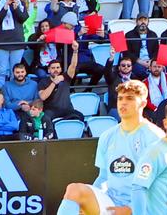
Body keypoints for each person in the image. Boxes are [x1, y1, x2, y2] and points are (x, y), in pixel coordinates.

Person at [56, 82, 158, 215]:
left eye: (129, 98)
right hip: (112, 203)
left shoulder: (154, 137)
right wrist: (89, 203)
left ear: (143, 104)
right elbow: (103, 177)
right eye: (120, 98)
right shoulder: (107, 136)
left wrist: (129, 209)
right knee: (74, 190)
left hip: (143, 207)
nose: (123, 103)